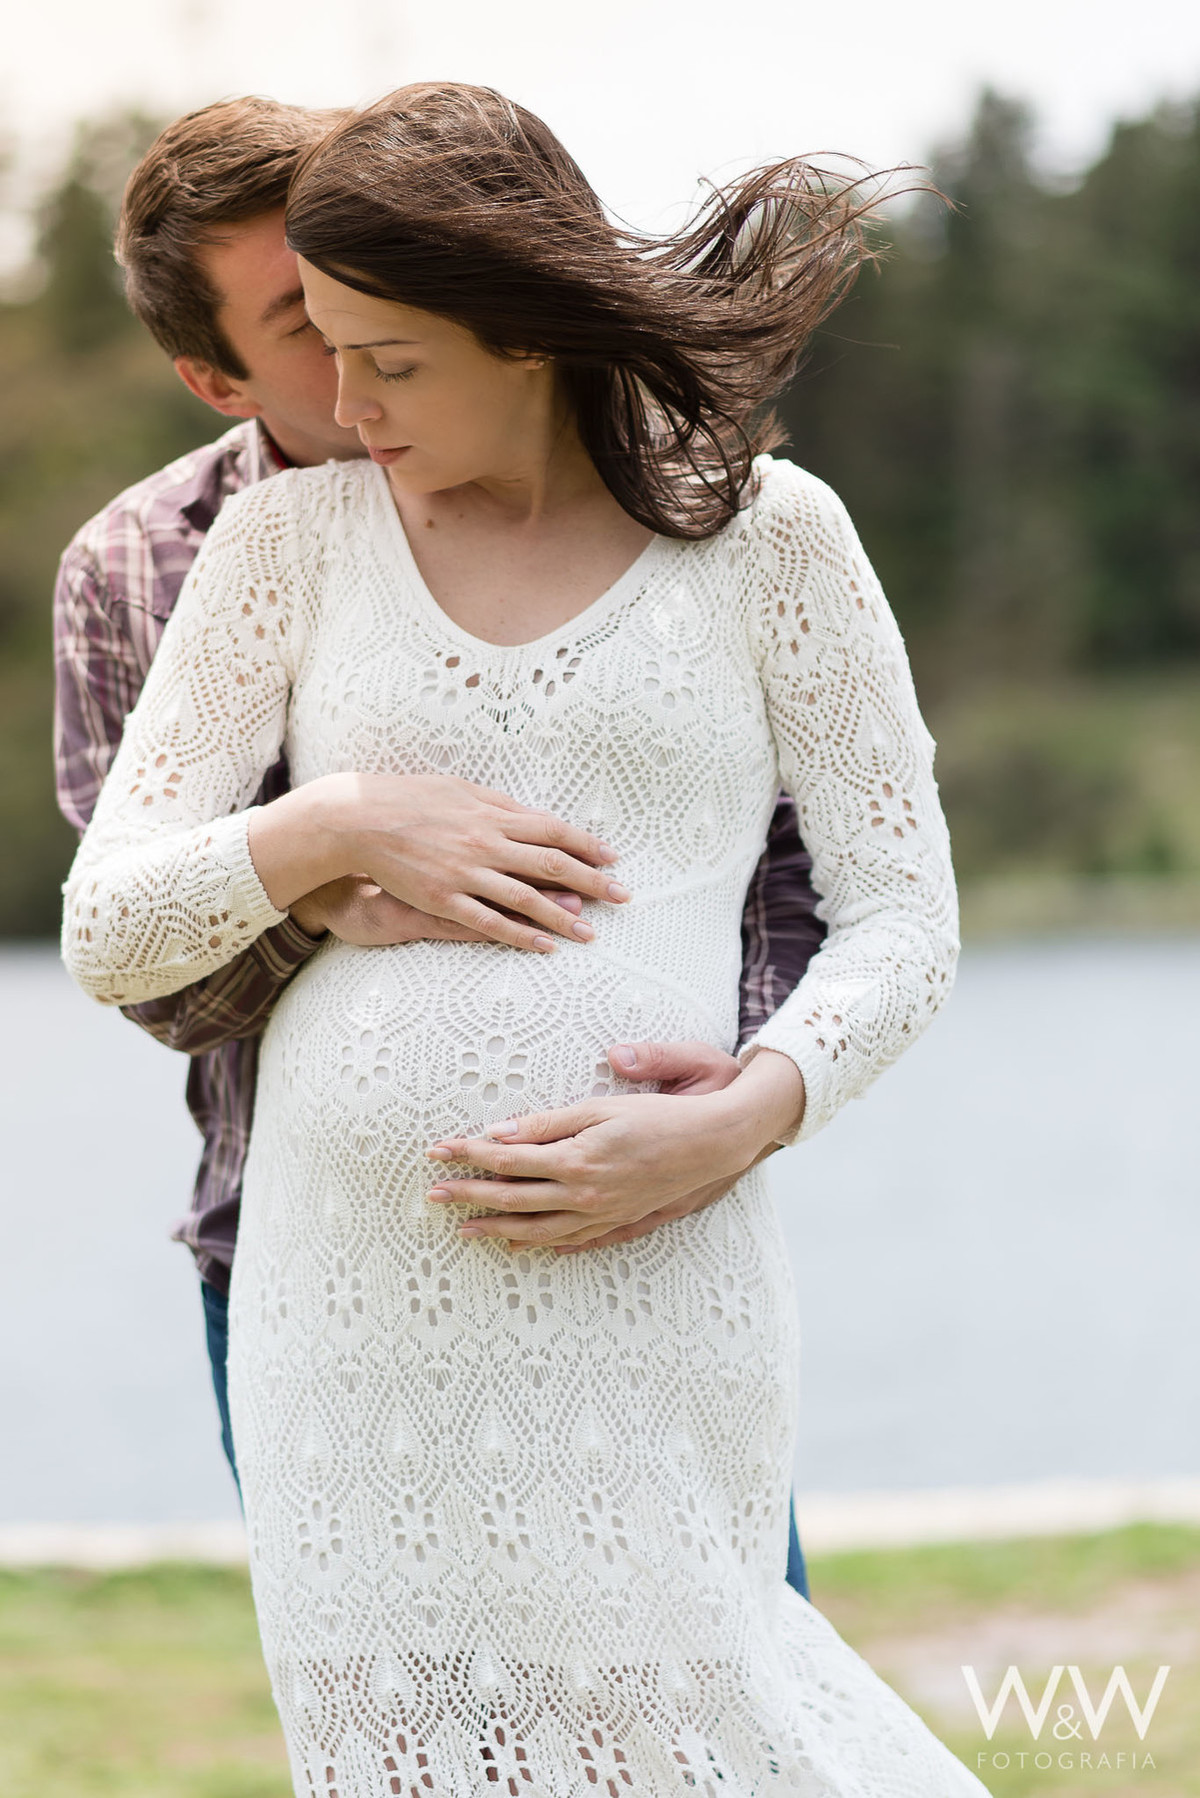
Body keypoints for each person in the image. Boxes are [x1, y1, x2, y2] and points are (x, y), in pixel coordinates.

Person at [62, 84, 981, 1796]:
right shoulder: (279, 546)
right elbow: (111, 928)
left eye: (391, 363)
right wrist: (321, 829)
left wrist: (745, 1109)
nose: (345, 408)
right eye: (322, 352)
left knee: (739, 1738)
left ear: (529, 331)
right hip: (342, 1319)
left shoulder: (775, 542)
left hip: (658, 1284)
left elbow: (903, 916)